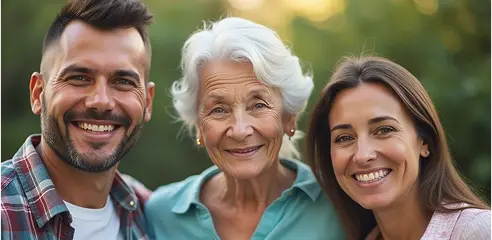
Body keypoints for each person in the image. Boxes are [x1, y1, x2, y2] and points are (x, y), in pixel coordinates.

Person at [145, 17, 344, 240]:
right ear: (199, 126)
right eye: (219, 109)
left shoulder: (338, 204)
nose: (240, 130)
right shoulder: (160, 214)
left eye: (258, 105)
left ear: (289, 118)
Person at [0, 0, 155, 239]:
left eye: (123, 81)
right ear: (37, 93)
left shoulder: (152, 215)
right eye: (79, 77)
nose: (101, 101)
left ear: (147, 102)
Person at [306, 56, 492, 240]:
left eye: (384, 130)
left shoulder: (477, 231)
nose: (363, 155)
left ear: (424, 141)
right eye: (344, 138)